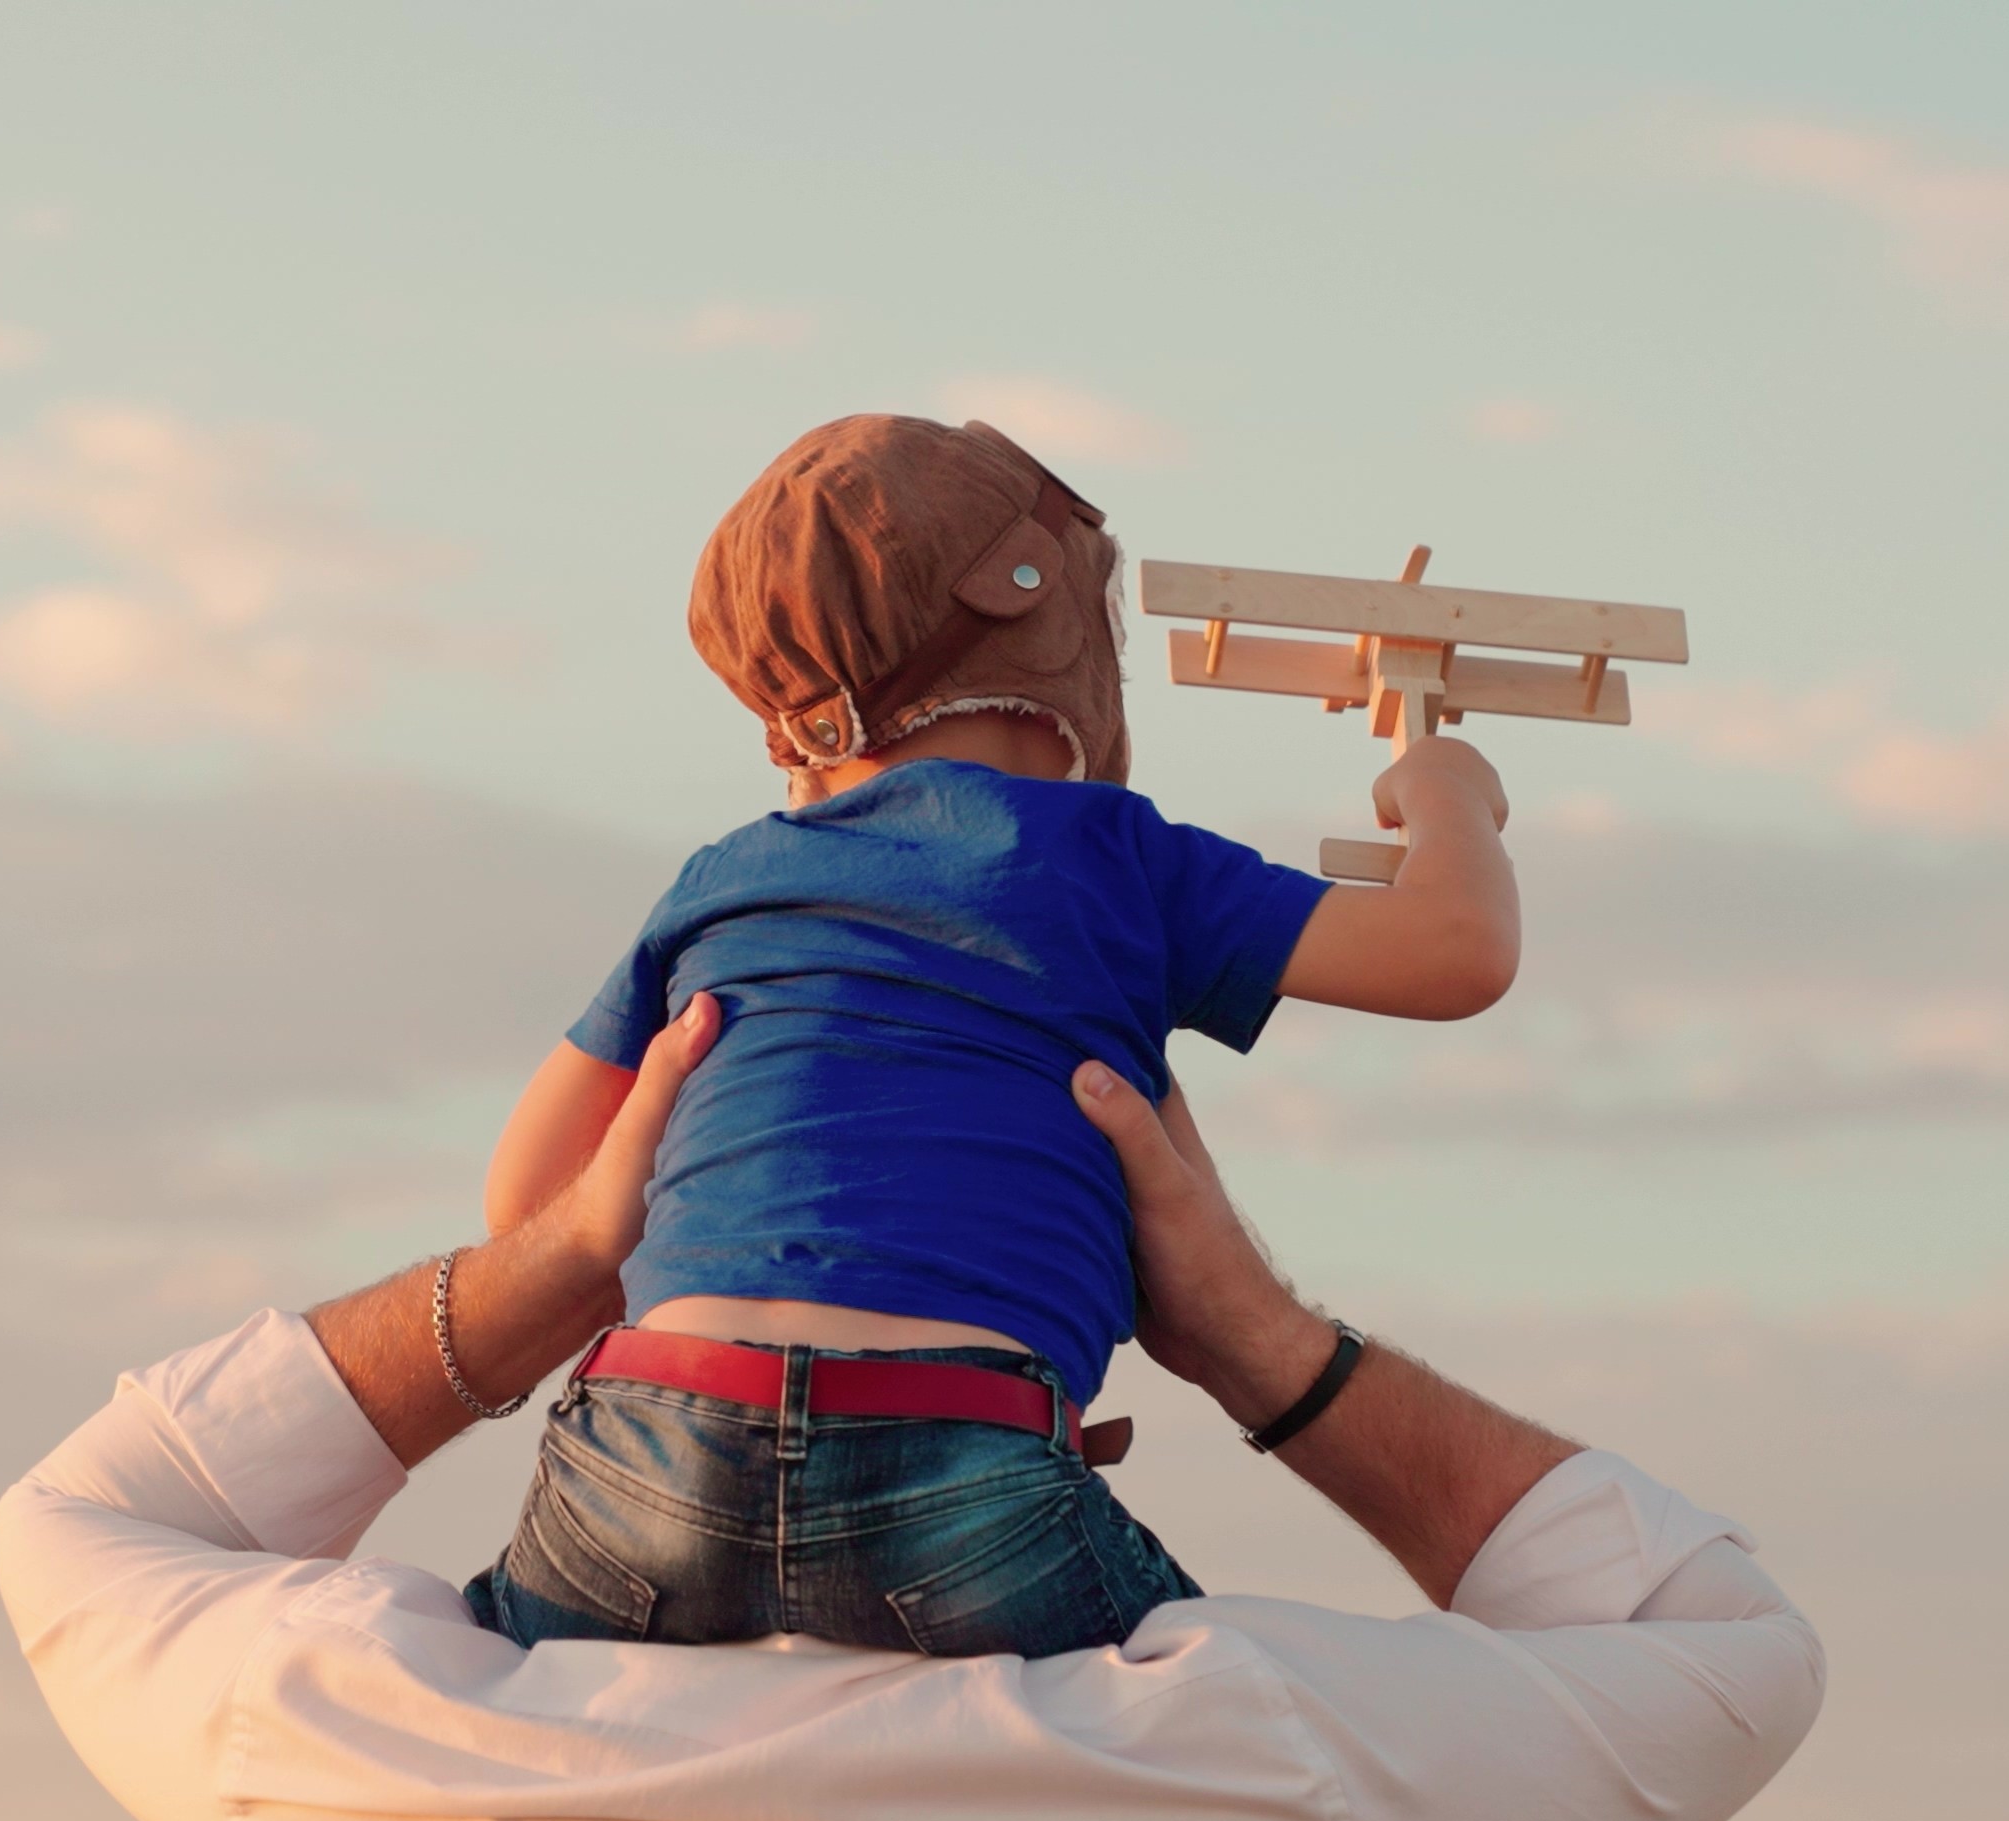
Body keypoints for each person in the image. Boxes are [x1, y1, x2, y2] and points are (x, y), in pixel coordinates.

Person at [0, 991, 1826, 1821]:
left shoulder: (356, 1744)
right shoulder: (1242, 1767)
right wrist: (1268, 1350)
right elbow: (1719, 1638)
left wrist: (549, 1263)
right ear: (1055, 1419)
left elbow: (81, 1519)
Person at [469, 413, 1523, 1655]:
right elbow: (1456, 952)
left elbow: (530, 1205)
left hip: (645, 1446)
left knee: (495, 1673)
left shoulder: (729, 878)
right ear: (1050, 616)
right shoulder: (1113, 859)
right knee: (1209, 1718)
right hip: (961, 1451)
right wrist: (1450, 794)